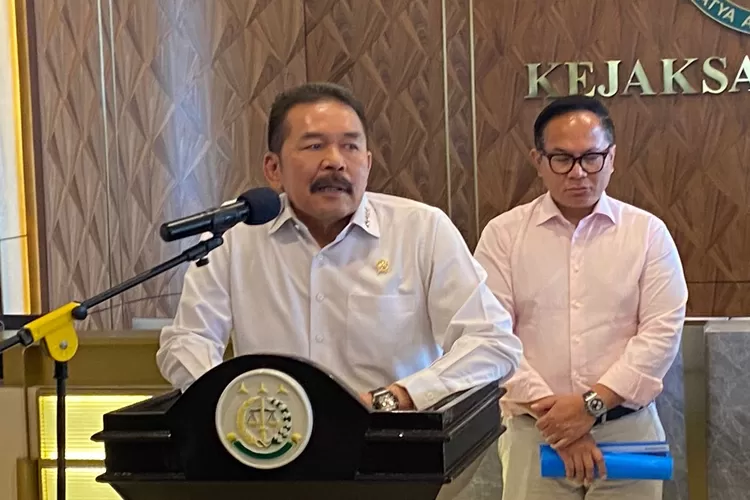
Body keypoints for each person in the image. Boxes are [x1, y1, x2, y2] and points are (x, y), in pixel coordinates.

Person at [157, 81, 522, 417]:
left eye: (350, 146)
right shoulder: (235, 235)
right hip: (270, 445)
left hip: (394, 440)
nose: (335, 161)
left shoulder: (422, 229)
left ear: (367, 163)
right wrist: (230, 400)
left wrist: (398, 396)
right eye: (314, 146)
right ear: (273, 168)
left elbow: (492, 342)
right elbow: (188, 339)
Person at [474, 95, 688, 500]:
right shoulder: (502, 236)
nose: (578, 173)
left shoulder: (647, 234)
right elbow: (490, 336)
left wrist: (589, 406)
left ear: (612, 158)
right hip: (535, 433)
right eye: (561, 158)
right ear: (538, 160)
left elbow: (661, 333)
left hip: (628, 432)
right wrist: (561, 424)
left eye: (591, 157)